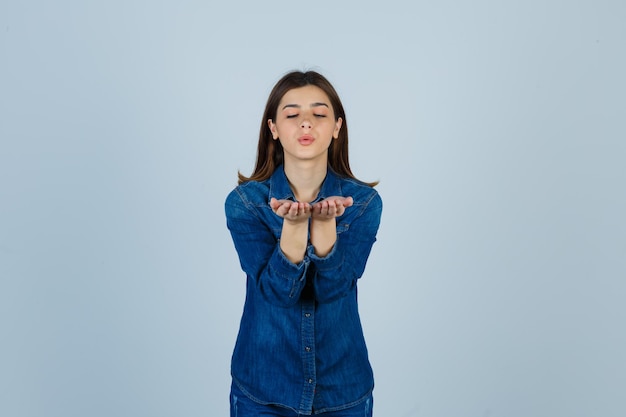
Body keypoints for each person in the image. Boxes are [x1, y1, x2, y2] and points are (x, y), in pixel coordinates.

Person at [225, 70, 382, 416]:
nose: (306, 124)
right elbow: (278, 294)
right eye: (293, 115)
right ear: (274, 129)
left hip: (343, 390)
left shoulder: (364, 204)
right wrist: (293, 230)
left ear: (337, 127)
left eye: (319, 114)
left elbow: (335, 289)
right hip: (262, 391)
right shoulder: (245, 204)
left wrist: (324, 227)